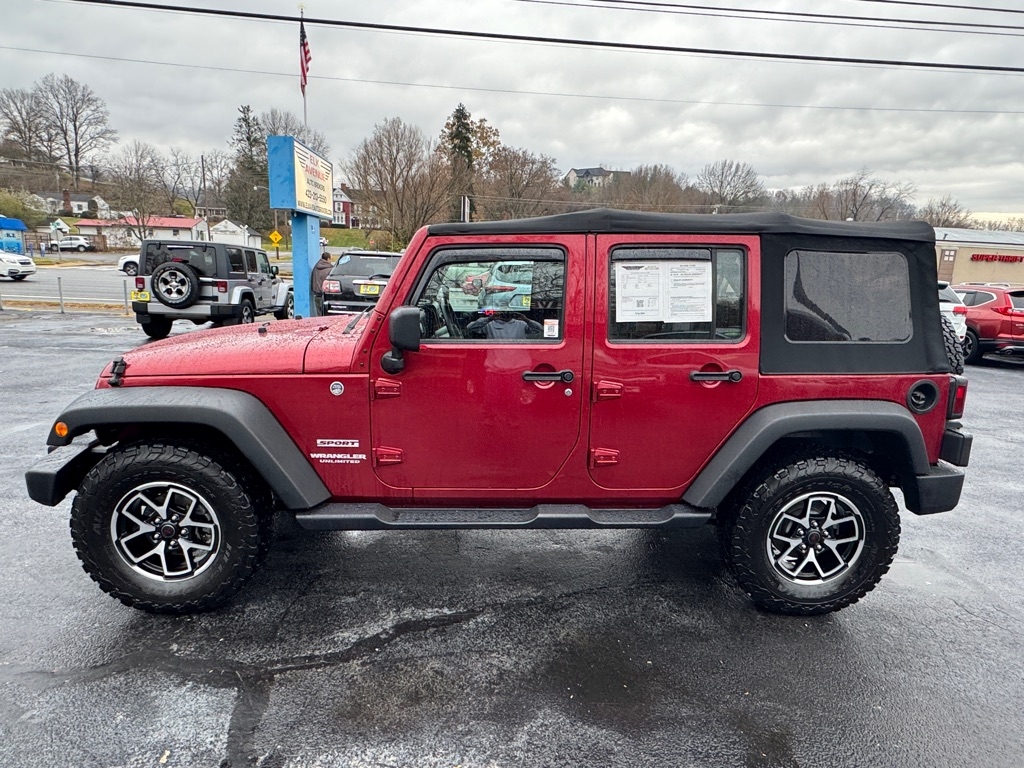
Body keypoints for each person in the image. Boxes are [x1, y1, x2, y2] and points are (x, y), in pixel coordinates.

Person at [466, 310, 542, 340]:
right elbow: (470, 327)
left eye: (509, 313)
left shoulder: (521, 323)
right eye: (503, 313)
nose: (505, 315)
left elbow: (539, 329)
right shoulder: (489, 324)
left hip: (519, 361)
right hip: (494, 362)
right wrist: (489, 319)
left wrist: (526, 320)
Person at [310, 252, 333, 316]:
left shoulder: (316, 267)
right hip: (326, 295)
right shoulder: (330, 269)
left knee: (319, 313)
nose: (331, 261)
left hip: (316, 293)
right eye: (331, 259)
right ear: (328, 259)